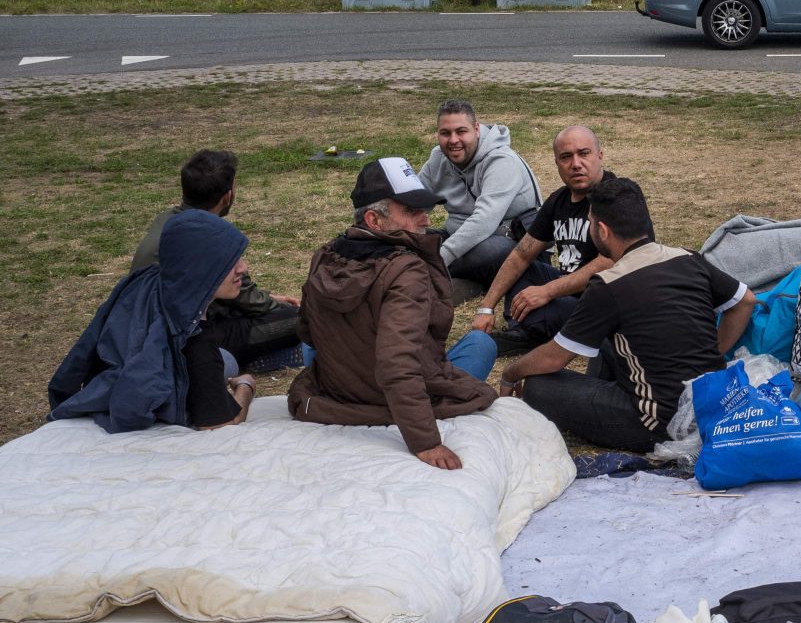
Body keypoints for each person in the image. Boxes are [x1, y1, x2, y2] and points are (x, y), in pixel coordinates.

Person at [499, 176, 757, 452]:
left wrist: (510, 373)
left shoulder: (608, 284)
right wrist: (714, 354)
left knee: (537, 385)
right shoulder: (688, 258)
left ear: (602, 231)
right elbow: (745, 301)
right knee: (611, 341)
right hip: (711, 403)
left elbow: (553, 357)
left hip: (656, 425)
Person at [287, 157, 498, 470]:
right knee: (482, 344)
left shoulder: (325, 254)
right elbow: (396, 364)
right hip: (388, 397)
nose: (425, 220)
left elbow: (307, 332)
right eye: (412, 211)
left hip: (337, 391)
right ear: (375, 220)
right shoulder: (405, 270)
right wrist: (426, 442)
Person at [50, 208, 258, 433]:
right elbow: (220, 424)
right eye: (229, 263)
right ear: (200, 268)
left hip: (122, 367)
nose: (243, 268)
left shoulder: (148, 281)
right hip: (189, 370)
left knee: (226, 359)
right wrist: (246, 386)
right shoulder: (198, 348)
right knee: (230, 363)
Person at [131, 148, 301, 367]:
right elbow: (249, 302)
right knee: (301, 318)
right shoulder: (208, 236)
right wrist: (278, 306)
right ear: (227, 196)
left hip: (144, 326)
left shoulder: (168, 220)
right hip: (184, 338)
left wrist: (269, 297)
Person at [470, 125, 615, 344]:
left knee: (542, 310)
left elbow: (610, 263)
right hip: (568, 289)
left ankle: (531, 330)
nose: (576, 164)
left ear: (600, 155)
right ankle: (520, 329)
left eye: (584, 154)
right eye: (566, 157)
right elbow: (521, 255)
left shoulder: (617, 195)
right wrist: (486, 307)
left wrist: (547, 291)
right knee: (522, 267)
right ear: (556, 163)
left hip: (603, 299)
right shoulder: (559, 200)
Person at [417, 98, 541, 286]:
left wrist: (441, 257)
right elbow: (416, 198)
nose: (453, 140)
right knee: (409, 240)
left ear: (476, 129)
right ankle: (448, 277)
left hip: (509, 241)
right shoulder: (439, 157)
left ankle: (424, 272)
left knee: (489, 252)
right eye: (445, 133)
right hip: (459, 237)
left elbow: (484, 220)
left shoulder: (502, 161)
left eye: (461, 131)